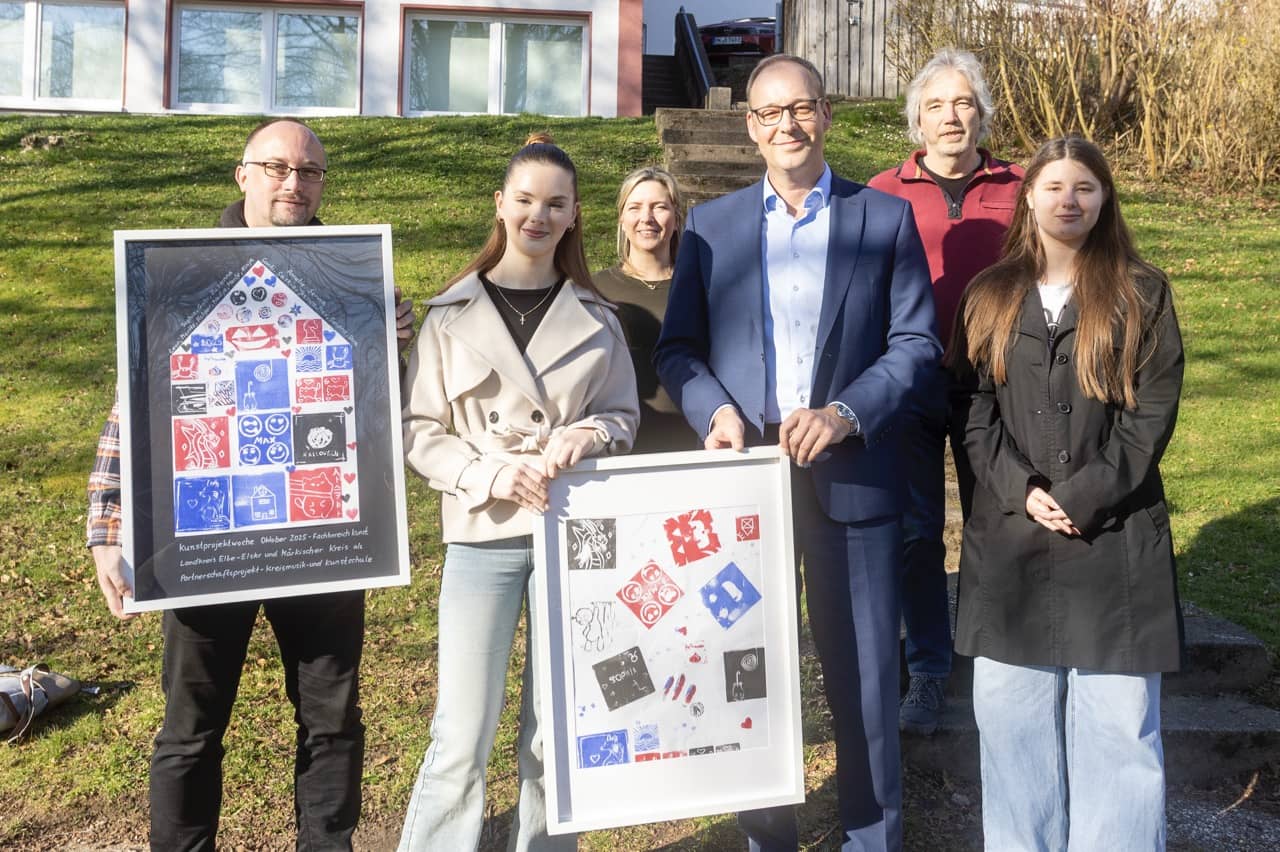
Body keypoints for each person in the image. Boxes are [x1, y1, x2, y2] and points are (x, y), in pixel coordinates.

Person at [87, 117, 416, 849]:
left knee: (332, 721)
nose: (294, 183)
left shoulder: (354, 275)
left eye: (309, 172)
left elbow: (383, 415)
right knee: (190, 727)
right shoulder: (180, 269)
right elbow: (132, 406)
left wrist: (393, 345)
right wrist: (109, 528)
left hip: (322, 535)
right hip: (206, 535)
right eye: (277, 167)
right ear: (243, 175)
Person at [655, 54, 940, 851]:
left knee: (866, 676)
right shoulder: (711, 228)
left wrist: (849, 413)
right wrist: (715, 412)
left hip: (854, 478)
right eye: (771, 112)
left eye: (803, 108)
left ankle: (870, 837)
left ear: (826, 115)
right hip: (746, 482)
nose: (788, 124)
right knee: (748, 668)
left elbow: (917, 343)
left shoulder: (882, 219)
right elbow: (677, 351)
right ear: (750, 127)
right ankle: (767, 837)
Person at [397, 133, 638, 851]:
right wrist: (490, 473)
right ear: (500, 204)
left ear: (574, 215)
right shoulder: (448, 315)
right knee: (460, 734)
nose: (540, 215)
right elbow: (417, 430)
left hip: (574, 532)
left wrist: (589, 434)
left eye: (556, 204)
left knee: (556, 728)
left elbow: (622, 414)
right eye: (527, 200)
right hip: (483, 532)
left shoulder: (598, 316)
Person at [947, 136, 1183, 850]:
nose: (1068, 200)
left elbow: (1150, 419)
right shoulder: (989, 294)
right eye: (1053, 186)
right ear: (1028, 197)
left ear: (1105, 198)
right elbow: (969, 406)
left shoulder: (1142, 293)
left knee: (1119, 737)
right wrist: (1020, 487)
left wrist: (1081, 496)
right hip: (1010, 540)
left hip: (1113, 544)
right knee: (1012, 735)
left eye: (1084, 186)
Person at [867, 48, 1025, 734]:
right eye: (935, 104)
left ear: (981, 112)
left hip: (1000, 381)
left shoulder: (1021, 186)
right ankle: (929, 670)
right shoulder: (882, 191)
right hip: (909, 382)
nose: (951, 116)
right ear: (917, 121)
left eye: (963, 102)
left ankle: (1001, 660)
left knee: (1000, 522)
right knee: (915, 530)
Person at [593, 166, 697, 452]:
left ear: (676, 217)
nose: (646, 217)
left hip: (693, 444)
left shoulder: (700, 287)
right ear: (622, 218)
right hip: (616, 445)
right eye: (635, 207)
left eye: (659, 207)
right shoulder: (593, 290)